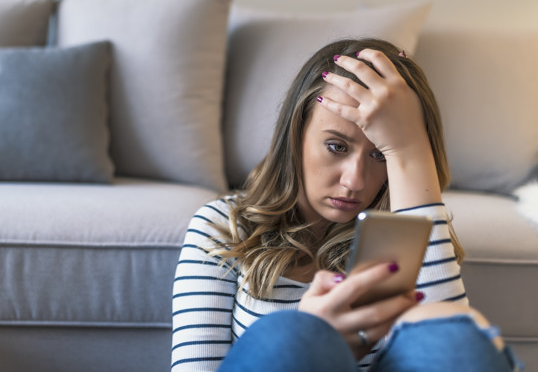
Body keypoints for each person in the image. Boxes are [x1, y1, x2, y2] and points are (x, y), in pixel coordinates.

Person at [171, 38, 523, 372]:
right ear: (295, 136)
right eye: (337, 146)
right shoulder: (220, 225)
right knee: (292, 335)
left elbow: (448, 342)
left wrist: (408, 148)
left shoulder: (399, 241)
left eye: (379, 155)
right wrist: (313, 334)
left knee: (453, 336)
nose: (355, 181)